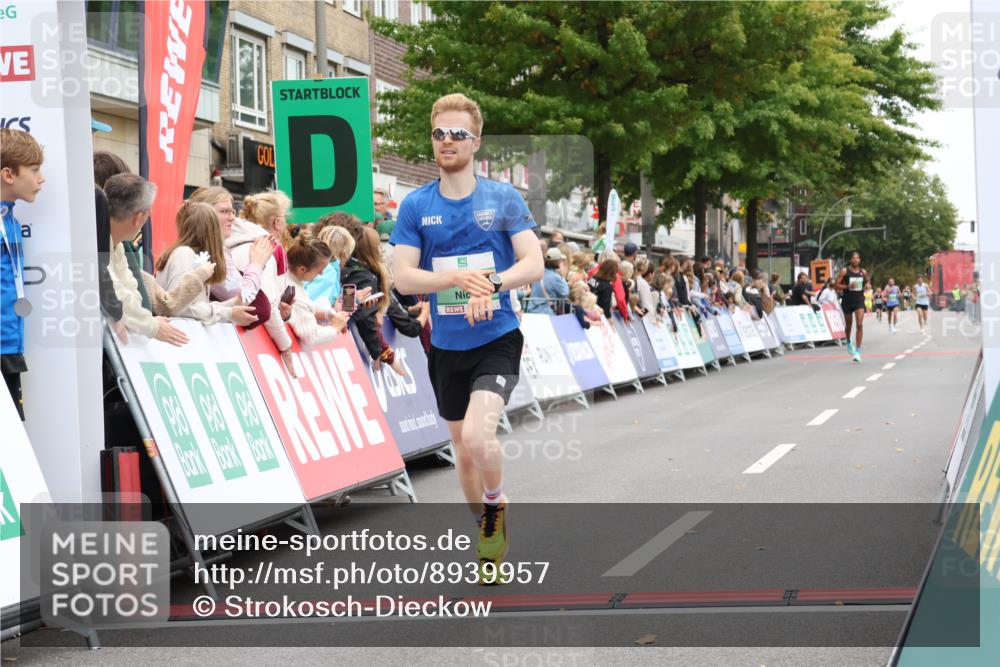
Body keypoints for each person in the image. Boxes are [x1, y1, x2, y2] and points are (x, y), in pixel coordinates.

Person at [390, 93, 543, 583]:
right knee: (462, 449)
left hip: (497, 337)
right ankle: (486, 526)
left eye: (458, 134)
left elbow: (534, 263)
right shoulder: (416, 205)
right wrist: (453, 281)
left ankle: (496, 510)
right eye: (440, 134)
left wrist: (492, 283)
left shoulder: (503, 199)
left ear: (475, 142)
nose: (447, 141)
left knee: (480, 436)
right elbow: (403, 279)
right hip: (447, 346)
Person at [104, 173, 196, 347]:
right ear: (138, 218)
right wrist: (152, 326)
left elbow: (130, 291)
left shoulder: (117, 245)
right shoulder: (96, 243)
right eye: (148, 215)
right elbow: (116, 293)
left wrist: (141, 320)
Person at [1, 129, 45, 419]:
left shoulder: (11, 220)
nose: (41, 178)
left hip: (10, 347)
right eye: (34, 169)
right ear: (9, 175)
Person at [155, 202, 258, 326]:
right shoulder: (184, 254)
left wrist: (233, 304)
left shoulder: (192, 256)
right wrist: (228, 313)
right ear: (211, 231)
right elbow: (178, 308)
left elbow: (196, 307)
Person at [342, 226, 408, 376]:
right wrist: (380, 352)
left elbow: (351, 308)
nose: (381, 250)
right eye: (377, 245)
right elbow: (362, 315)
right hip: (341, 343)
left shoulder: (357, 272)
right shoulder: (362, 276)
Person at [285, 235, 352, 345]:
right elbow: (311, 336)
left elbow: (309, 306)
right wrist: (335, 327)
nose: (321, 274)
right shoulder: (295, 294)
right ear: (302, 269)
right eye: (319, 270)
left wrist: (330, 314)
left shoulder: (293, 281)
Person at [834, 251, 868, 362]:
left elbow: (866, 282)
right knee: (849, 325)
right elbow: (835, 285)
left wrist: (865, 286)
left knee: (859, 324)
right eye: (853, 258)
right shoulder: (845, 271)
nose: (855, 260)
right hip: (847, 300)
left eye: (857, 258)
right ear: (850, 260)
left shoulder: (863, 272)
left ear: (860, 260)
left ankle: (857, 352)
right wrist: (848, 286)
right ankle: (848, 341)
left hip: (859, 300)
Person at [526, 247, 570, 315]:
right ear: (557, 262)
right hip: (545, 312)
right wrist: (563, 276)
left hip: (531, 310)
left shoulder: (538, 272)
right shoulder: (555, 277)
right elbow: (565, 293)